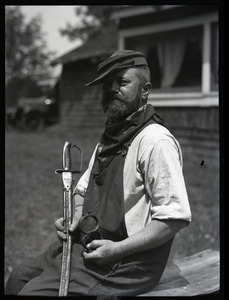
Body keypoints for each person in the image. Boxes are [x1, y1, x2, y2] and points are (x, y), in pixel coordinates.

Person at [5, 50, 191, 296]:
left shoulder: (155, 141)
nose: (112, 89)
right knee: (18, 277)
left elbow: (174, 218)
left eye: (122, 82)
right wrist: (75, 218)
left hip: (128, 263)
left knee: (32, 293)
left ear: (145, 90)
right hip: (91, 248)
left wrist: (118, 249)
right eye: (107, 84)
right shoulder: (110, 138)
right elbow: (82, 191)